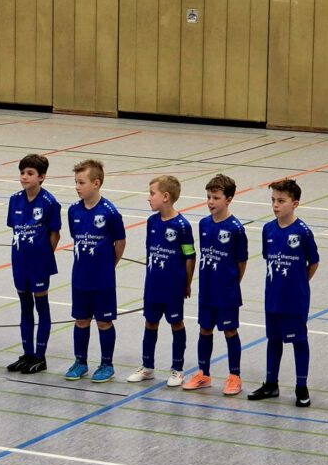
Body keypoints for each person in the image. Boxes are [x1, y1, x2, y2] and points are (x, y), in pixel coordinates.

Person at [249, 179, 320, 408]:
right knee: (273, 339)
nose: (275, 205)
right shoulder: (268, 229)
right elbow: (268, 259)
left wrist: (299, 282)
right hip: (273, 297)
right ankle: (271, 383)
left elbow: (314, 262)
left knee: (299, 340)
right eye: (273, 200)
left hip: (295, 299)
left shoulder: (302, 232)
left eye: (281, 201)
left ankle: (301, 386)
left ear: (295, 203)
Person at [127, 176, 196, 387]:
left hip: (173, 286)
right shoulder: (152, 222)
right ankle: (147, 366)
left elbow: (190, 256)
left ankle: (178, 369)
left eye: (152, 193)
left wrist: (187, 283)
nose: (148, 198)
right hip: (153, 285)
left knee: (176, 323)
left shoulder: (182, 226)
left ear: (165, 196)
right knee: (150, 322)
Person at [183, 174, 247, 395]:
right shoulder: (204, 224)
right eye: (209, 197)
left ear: (228, 199)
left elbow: (241, 262)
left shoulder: (236, 228)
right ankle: (204, 374)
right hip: (207, 290)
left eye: (216, 198)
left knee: (230, 330)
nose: (210, 202)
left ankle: (235, 376)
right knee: (205, 329)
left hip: (227, 292)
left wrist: (231, 284)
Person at [64, 159, 126, 383]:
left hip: (103, 280)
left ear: (96, 183)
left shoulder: (110, 212)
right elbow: (75, 237)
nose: (77, 187)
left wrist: (108, 265)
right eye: (76, 182)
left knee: (103, 322)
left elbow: (120, 242)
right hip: (80, 277)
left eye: (81, 182)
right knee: (81, 320)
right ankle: (80, 362)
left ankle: (107, 364)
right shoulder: (73, 210)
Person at [5, 153, 61, 374]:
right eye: (22, 173)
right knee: (25, 307)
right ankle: (27, 354)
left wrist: (43, 256)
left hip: (39, 264)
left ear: (42, 177)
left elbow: (55, 235)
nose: (24, 177)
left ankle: (40, 356)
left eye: (30, 173)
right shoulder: (15, 200)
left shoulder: (49, 202)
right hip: (20, 262)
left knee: (41, 307)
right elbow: (16, 230)